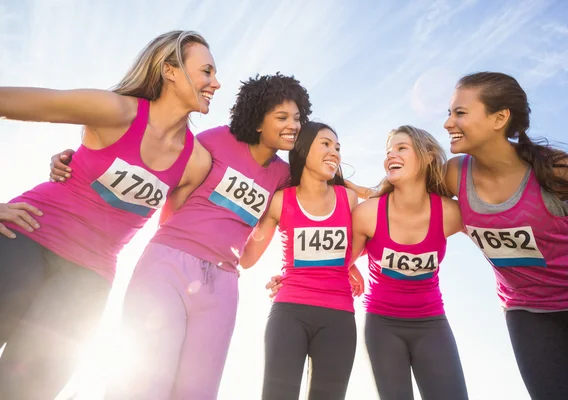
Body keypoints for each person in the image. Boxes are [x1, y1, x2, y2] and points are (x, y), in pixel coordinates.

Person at [50, 72, 312, 399]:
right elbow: (158, 167)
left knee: (198, 391)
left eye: (298, 118)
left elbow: (306, 215)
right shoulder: (216, 140)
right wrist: (79, 160)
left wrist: (294, 274)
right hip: (168, 263)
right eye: (282, 117)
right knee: (143, 383)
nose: (294, 125)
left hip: (224, 282)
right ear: (259, 120)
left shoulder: (283, 176)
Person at [0, 30, 218, 399]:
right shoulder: (114, 110)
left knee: (24, 391)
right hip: (27, 236)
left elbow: (178, 232)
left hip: (89, 278)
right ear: (170, 71)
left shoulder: (196, 163)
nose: (215, 83)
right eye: (207, 71)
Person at [444, 71, 568, 399]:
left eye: (460, 112)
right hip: (528, 314)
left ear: (499, 117)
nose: (448, 123)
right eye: (449, 113)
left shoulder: (555, 168)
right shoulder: (454, 173)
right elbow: (403, 203)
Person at [240, 121, 361, 400]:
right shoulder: (281, 201)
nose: (335, 152)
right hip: (289, 312)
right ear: (303, 148)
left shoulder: (350, 199)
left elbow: (368, 238)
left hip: (339, 317)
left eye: (338, 147)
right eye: (326, 144)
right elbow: (247, 258)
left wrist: (351, 265)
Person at [348, 125, 469, 400]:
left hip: (432, 323)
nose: (391, 154)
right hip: (382, 325)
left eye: (401, 148)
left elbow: (495, 233)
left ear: (427, 156)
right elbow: (336, 264)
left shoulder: (450, 213)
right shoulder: (367, 214)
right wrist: (289, 277)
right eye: (388, 150)